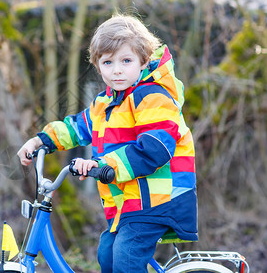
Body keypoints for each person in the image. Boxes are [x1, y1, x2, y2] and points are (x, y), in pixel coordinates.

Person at [17, 14, 197, 273]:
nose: (117, 70)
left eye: (126, 60)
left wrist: (103, 165)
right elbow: (77, 128)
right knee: (107, 253)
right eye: (108, 62)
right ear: (98, 66)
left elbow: (154, 149)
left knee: (126, 256)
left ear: (143, 60)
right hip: (130, 202)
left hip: (160, 199)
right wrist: (40, 140)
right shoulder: (105, 103)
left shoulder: (154, 97)